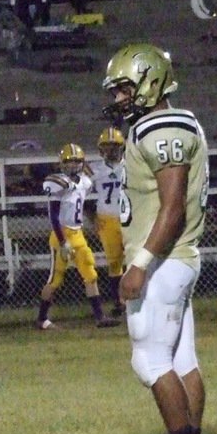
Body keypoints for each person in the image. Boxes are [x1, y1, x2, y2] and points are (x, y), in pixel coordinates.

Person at [102, 43, 208, 434]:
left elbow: (172, 206)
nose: (119, 99)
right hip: (176, 257)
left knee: (149, 359)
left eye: (126, 89)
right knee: (182, 360)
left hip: (165, 258)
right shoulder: (167, 125)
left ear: (150, 82)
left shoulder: (161, 127)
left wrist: (141, 262)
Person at [36, 143, 120, 329]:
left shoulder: (85, 182)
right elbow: (53, 215)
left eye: (76, 161)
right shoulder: (58, 182)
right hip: (62, 235)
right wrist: (62, 241)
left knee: (90, 273)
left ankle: (100, 317)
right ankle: (42, 318)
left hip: (78, 233)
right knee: (54, 280)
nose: (73, 165)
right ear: (62, 164)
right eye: (69, 162)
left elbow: (82, 201)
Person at [92, 126, 128, 316]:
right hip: (107, 219)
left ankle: (137, 297)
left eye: (114, 147)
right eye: (107, 147)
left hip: (130, 217)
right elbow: (79, 194)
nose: (111, 151)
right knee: (114, 262)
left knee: (137, 258)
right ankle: (119, 301)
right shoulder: (95, 169)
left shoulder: (131, 165)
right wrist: (92, 218)